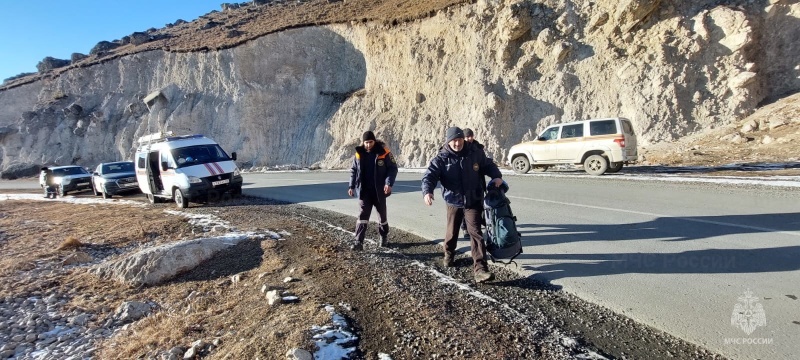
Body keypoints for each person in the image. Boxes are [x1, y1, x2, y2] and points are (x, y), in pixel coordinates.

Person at [422, 126, 503, 283]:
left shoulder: (474, 152)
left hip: (473, 201)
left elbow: (488, 164)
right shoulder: (442, 158)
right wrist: (427, 192)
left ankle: (480, 269)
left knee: (476, 233)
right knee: (452, 232)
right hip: (453, 201)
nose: (457, 144)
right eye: (454, 141)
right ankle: (449, 254)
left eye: (459, 140)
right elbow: (429, 176)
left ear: (463, 140)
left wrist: (496, 176)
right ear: (448, 141)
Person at [348, 130, 398, 250]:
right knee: (362, 216)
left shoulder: (384, 152)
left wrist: (388, 183)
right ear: (363, 142)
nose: (368, 145)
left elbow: (393, 169)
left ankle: (383, 237)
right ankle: (358, 242)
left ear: (374, 141)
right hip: (364, 191)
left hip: (379, 191)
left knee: (382, 217)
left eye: (370, 142)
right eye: (366, 142)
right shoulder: (359, 154)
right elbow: (354, 170)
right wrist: (351, 186)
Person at [460, 128, 484, 238]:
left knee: (479, 206)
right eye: (467, 136)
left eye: (471, 136)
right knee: (466, 207)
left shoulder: (478, 148)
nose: (469, 138)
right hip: (465, 185)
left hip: (478, 182)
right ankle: (465, 228)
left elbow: (484, 163)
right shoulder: (460, 149)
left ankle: (476, 227)